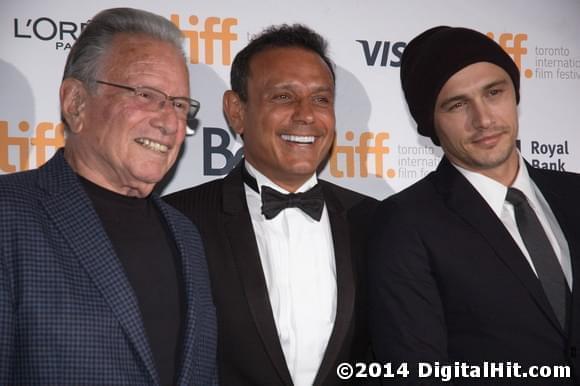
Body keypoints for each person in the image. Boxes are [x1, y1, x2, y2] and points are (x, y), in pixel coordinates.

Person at [0, 8, 217, 385]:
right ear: (76, 103)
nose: (169, 121)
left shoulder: (187, 235)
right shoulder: (9, 215)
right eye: (147, 94)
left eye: (180, 104)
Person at [165, 24, 377, 386]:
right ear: (236, 111)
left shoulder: (374, 221)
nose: (306, 115)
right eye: (283, 97)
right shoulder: (179, 221)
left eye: (321, 99)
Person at [368, 26, 580, 385]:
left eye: (494, 92)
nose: (483, 120)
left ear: (515, 94)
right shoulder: (404, 223)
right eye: (457, 104)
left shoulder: (574, 192)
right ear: (430, 122)